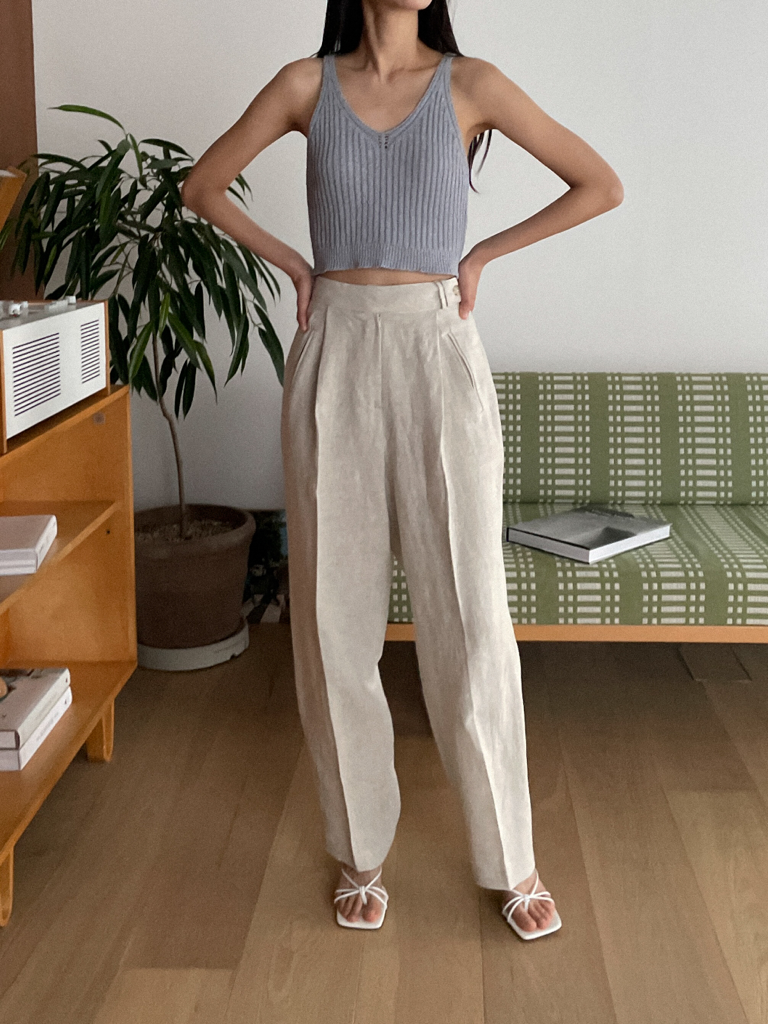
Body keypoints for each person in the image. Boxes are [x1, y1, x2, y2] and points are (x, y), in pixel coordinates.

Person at [181, 0, 623, 940]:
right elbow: (202, 186)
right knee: (332, 619)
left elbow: (600, 184)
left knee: (472, 617)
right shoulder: (305, 85)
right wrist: (295, 267)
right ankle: (358, 850)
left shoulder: (472, 84)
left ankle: (511, 857)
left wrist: (482, 255)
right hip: (335, 348)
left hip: (437, 348)